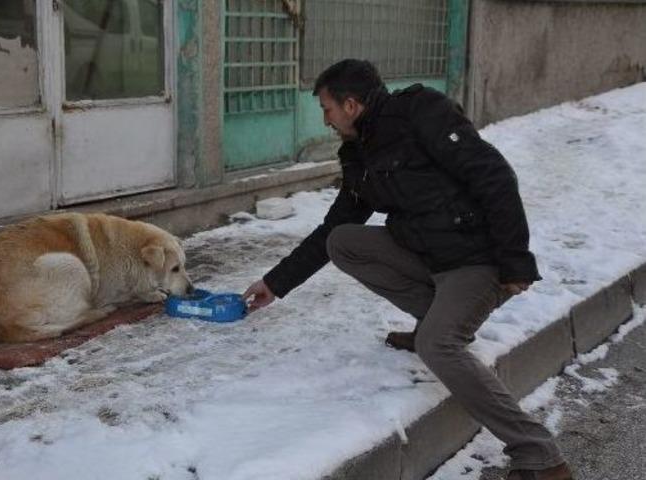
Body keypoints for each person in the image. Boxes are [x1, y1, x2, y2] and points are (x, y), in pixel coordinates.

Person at [242, 59, 573, 480]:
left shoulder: (422, 112)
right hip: (429, 256)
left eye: (326, 109)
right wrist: (276, 283)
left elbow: (494, 176)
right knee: (342, 241)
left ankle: (541, 457)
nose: (324, 120)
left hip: (478, 259)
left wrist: (514, 261)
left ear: (350, 104)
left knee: (438, 346)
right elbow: (332, 226)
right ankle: (434, 320)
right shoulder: (358, 154)